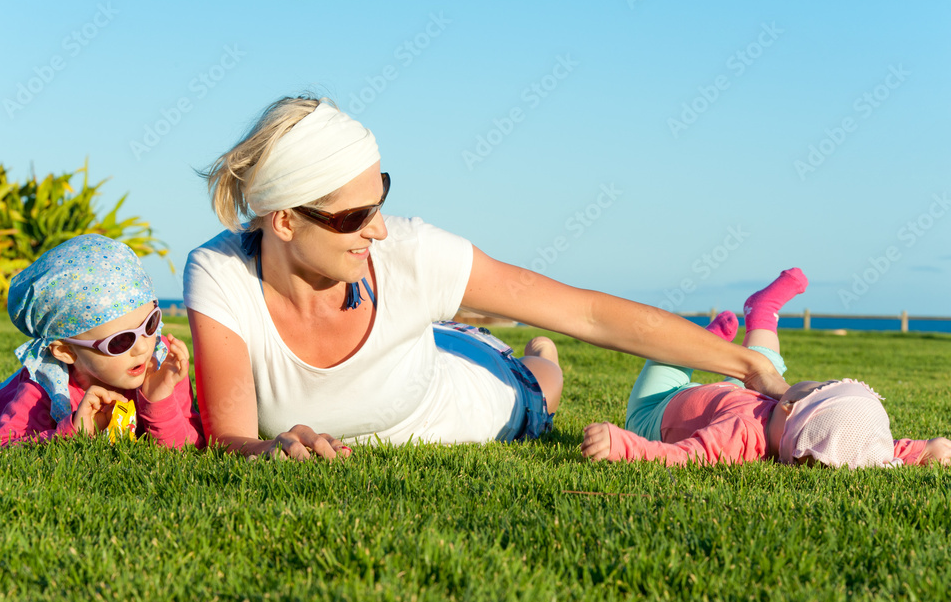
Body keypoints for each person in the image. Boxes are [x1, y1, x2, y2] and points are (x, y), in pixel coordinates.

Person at [184, 95, 789, 461]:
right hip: (426, 349)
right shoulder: (221, 274)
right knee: (451, 337)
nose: (379, 231)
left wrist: (747, 366)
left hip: (482, 388)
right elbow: (229, 435)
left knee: (542, 382)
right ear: (284, 221)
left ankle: (536, 355)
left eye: (381, 199)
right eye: (353, 216)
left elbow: (584, 313)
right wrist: (268, 450)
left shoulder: (412, 252)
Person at [581, 268, 951, 467]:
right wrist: (924, 450)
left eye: (818, 385)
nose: (814, 380)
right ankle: (763, 312)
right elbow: (867, 448)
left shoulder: (740, 437)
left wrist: (624, 444)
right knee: (767, 365)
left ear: (790, 406)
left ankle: (697, 346)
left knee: (666, 355)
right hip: (732, 392)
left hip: (655, 409)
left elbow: (683, 456)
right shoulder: (801, 428)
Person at [0, 234, 203, 449]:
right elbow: (5, 445)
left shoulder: (161, 364)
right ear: (65, 351)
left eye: (150, 323)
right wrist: (75, 429)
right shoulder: (43, 389)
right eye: (119, 342)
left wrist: (158, 400)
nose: (142, 347)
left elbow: (186, 448)